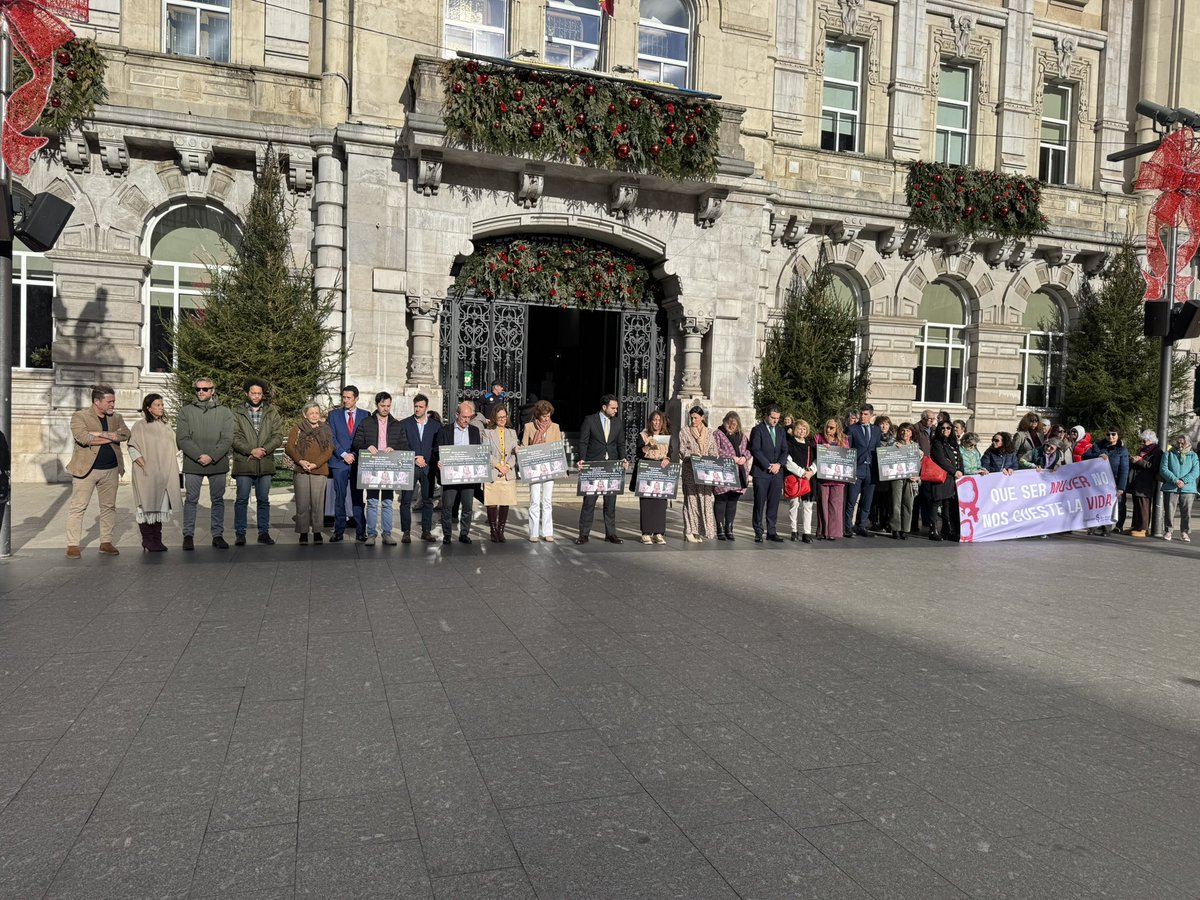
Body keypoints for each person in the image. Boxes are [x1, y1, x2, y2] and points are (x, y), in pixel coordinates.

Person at [65, 384, 130, 558]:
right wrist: (110, 436)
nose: (113, 405)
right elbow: (84, 438)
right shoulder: (80, 416)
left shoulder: (117, 417)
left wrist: (99, 434)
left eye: (113, 401)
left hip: (111, 469)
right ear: (97, 402)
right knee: (78, 507)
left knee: (109, 507)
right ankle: (73, 545)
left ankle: (106, 542)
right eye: (109, 402)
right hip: (85, 470)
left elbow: (125, 435)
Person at [177, 376, 235, 551]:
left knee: (217, 500)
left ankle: (217, 535)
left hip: (217, 463)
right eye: (198, 389)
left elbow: (227, 439)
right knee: (191, 500)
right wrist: (199, 455)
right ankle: (188, 535)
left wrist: (212, 456)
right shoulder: (186, 411)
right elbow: (182, 438)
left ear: (213, 390)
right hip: (193, 463)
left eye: (205, 389)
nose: (201, 392)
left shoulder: (225, 412)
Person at [231, 379, 286, 547]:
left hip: (265, 461)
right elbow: (233, 436)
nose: (256, 396)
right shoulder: (237, 411)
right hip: (244, 462)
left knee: (263, 500)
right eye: (253, 393)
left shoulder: (271, 411)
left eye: (259, 393)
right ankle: (240, 533)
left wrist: (263, 449)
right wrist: (250, 450)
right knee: (241, 499)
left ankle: (264, 532)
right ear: (247, 393)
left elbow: (277, 435)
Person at [351, 391, 408, 546]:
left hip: (390, 468)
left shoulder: (397, 424)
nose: (386, 409)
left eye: (388, 406)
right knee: (372, 501)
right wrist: (366, 446)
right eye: (383, 405)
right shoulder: (366, 422)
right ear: (377, 405)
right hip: (373, 468)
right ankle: (371, 534)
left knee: (388, 502)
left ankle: (387, 534)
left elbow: (404, 445)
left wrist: (394, 447)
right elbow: (356, 443)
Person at [128, 393, 180, 553]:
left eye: (162, 405)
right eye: (157, 405)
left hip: (164, 472)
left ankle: (157, 539)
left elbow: (174, 446)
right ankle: (148, 540)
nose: (161, 408)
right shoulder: (140, 426)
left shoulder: (166, 425)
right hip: (146, 472)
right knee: (146, 504)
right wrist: (142, 462)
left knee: (161, 506)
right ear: (148, 408)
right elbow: (132, 446)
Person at [575, 394, 627, 545]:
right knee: (589, 502)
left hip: (612, 466)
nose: (616, 410)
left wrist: (623, 458)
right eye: (613, 408)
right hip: (594, 466)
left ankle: (610, 533)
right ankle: (584, 534)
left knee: (610, 503)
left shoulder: (617, 422)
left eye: (616, 408)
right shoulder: (590, 420)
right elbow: (583, 441)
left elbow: (621, 443)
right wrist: (582, 459)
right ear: (604, 407)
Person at [285, 402, 334, 544]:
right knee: (302, 504)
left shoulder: (326, 429)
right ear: (305, 414)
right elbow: (289, 447)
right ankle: (303, 532)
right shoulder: (298, 428)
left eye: (317, 413)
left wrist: (315, 464)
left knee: (318, 504)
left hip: (319, 470)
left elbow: (329, 450)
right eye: (311, 413)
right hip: (302, 470)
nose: (314, 415)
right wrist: (301, 461)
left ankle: (317, 532)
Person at [436, 400, 483, 544]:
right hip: (451, 475)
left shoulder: (474, 431)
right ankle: (447, 535)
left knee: (468, 506)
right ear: (457, 415)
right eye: (464, 417)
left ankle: (464, 534)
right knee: (448, 507)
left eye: (469, 417)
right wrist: (439, 460)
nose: (466, 420)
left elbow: (478, 451)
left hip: (468, 476)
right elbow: (437, 450)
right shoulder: (445, 430)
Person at [328, 385, 369, 542]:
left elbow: (367, 438)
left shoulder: (366, 415)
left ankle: (360, 531)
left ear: (356, 398)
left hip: (358, 462)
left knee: (358, 497)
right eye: (343, 397)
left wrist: (354, 454)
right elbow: (331, 437)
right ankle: (338, 531)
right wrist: (344, 454)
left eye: (348, 398)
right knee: (340, 497)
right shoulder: (333, 415)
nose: (345, 400)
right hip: (339, 462)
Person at [522, 400, 562, 542]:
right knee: (534, 500)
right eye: (544, 416)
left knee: (547, 501)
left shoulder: (555, 427)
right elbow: (524, 446)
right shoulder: (529, 427)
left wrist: (561, 468)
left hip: (549, 469)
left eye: (548, 415)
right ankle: (533, 532)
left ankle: (547, 532)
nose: (546, 418)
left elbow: (558, 448)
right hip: (534, 469)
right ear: (538, 414)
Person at [401, 393, 437, 543]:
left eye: (420, 407)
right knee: (406, 500)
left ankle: (426, 531)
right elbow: (402, 444)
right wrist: (415, 457)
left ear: (426, 407)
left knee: (428, 500)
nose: (417, 409)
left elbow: (436, 447)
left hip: (428, 467)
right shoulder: (404, 424)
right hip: (411, 466)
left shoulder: (435, 426)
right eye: (415, 406)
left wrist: (426, 459)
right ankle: (406, 532)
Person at [749, 405, 787, 543]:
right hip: (762, 472)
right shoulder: (757, 430)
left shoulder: (781, 431)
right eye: (772, 418)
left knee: (774, 503)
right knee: (759, 503)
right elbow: (756, 450)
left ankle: (772, 531)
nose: (775, 421)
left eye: (777, 418)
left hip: (777, 473)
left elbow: (785, 451)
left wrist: (779, 464)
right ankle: (758, 531)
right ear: (766, 415)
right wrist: (768, 465)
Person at [632, 409, 671, 545]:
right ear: (650, 421)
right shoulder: (643, 435)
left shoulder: (665, 436)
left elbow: (670, 452)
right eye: (654, 420)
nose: (657, 423)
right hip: (647, 470)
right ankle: (646, 533)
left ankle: (659, 533)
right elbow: (638, 452)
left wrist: (667, 458)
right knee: (647, 502)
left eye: (659, 420)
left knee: (661, 503)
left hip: (661, 472)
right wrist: (648, 445)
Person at [679, 406, 717, 543]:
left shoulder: (710, 433)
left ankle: (701, 531)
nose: (693, 420)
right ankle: (689, 530)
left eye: (696, 417)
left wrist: (710, 458)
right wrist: (693, 456)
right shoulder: (685, 431)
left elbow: (714, 450)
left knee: (705, 500)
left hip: (705, 471)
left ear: (702, 418)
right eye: (691, 418)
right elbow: (682, 450)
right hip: (690, 470)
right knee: (691, 500)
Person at [482, 405, 519, 542]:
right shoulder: (487, 432)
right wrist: (498, 466)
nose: (502, 420)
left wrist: (508, 465)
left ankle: (501, 530)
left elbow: (515, 453)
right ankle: (493, 530)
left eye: (504, 417)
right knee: (492, 502)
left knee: (505, 501)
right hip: (494, 471)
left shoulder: (512, 432)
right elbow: (486, 452)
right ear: (494, 418)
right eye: (499, 417)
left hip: (508, 472)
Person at [845, 403, 881, 538]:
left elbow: (878, 449)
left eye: (866, 414)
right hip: (856, 469)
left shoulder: (876, 430)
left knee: (867, 500)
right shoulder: (852, 429)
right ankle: (848, 526)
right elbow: (847, 448)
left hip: (871, 470)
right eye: (861, 414)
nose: (862, 416)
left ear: (871, 415)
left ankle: (861, 525)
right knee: (851, 500)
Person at [713, 411, 750, 542]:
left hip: (739, 471)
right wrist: (732, 458)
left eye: (734, 424)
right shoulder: (718, 433)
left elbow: (748, 450)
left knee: (733, 500)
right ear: (725, 422)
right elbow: (715, 450)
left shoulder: (742, 436)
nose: (731, 426)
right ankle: (720, 527)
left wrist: (744, 458)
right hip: (723, 471)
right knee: (721, 499)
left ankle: (729, 527)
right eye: (729, 423)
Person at [1084, 429, 1130, 535]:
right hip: (1097, 481)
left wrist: (1121, 487)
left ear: (1118, 436)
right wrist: (1098, 456)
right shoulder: (1097, 446)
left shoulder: (1122, 450)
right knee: (1097, 504)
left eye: (1113, 434)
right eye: (1108, 434)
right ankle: (1094, 526)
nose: (1110, 436)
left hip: (1113, 481)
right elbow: (1084, 456)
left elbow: (1124, 469)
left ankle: (1107, 528)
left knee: (1111, 504)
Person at [1159, 433, 1198, 542]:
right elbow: (1163, 469)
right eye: (1178, 442)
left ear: (1188, 443)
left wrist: (1184, 481)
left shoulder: (1193, 455)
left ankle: (1184, 532)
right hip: (1171, 487)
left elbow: (1196, 471)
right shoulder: (1168, 454)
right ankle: (1168, 531)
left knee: (1186, 512)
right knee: (1169, 511)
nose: (1180, 445)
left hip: (1188, 488)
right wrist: (1175, 480)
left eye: (1183, 443)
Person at [929, 419, 962, 541]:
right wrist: (955, 471)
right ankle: (933, 530)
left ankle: (946, 529)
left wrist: (960, 470)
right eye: (943, 428)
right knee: (936, 503)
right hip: (941, 477)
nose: (945, 430)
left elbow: (959, 459)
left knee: (948, 504)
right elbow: (941, 460)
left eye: (948, 428)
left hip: (951, 479)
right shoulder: (937, 443)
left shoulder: (953, 443)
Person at [814, 418, 847, 540]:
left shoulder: (844, 439)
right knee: (822, 505)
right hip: (823, 478)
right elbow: (813, 452)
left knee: (836, 506)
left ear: (837, 428)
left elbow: (847, 456)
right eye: (827, 427)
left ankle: (833, 532)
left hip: (838, 479)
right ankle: (822, 531)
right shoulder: (819, 437)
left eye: (832, 428)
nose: (828, 430)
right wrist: (822, 448)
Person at [784, 420, 817, 543]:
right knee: (794, 504)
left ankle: (806, 532)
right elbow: (787, 461)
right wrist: (801, 472)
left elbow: (816, 460)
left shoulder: (810, 445)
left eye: (804, 429)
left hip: (808, 478)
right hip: (795, 477)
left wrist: (811, 472)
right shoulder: (789, 444)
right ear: (794, 430)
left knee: (808, 506)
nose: (802, 431)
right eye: (799, 428)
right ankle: (794, 530)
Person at [889, 422, 922, 540]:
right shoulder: (894, 444)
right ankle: (895, 528)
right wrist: (894, 448)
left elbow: (921, 466)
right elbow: (886, 458)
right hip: (897, 477)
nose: (905, 433)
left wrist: (918, 477)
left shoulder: (916, 447)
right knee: (896, 503)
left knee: (908, 504)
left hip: (910, 479)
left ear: (912, 433)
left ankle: (905, 529)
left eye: (908, 431)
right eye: (903, 430)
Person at [1127, 430, 1162, 537]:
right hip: (1137, 481)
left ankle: (1144, 528)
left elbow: (1154, 467)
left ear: (1151, 440)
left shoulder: (1157, 451)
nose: (1141, 443)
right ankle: (1136, 526)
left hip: (1147, 482)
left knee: (1144, 505)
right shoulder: (1141, 450)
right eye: (1141, 441)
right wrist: (1133, 460)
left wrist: (1140, 461)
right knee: (1137, 504)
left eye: (1143, 441)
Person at [869, 415, 895, 532]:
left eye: (886, 424)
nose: (884, 426)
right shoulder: (873, 438)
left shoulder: (894, 441)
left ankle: (885, 522)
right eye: (881, 424)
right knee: (875, 499)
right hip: (875, 471)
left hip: (888, 474)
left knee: (886, 500)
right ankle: (874, 521)